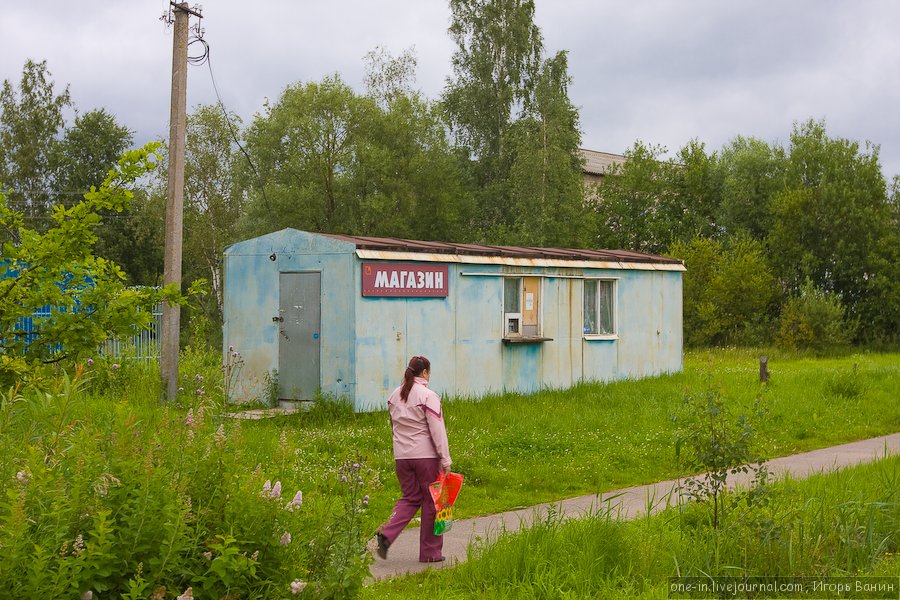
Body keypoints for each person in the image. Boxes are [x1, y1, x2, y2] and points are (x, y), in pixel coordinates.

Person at [375, 355, 452, 563]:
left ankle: (386, 534)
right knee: (432, 502)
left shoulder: (393, 396)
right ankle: (430, 553)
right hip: (425, 457)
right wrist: (445, 459)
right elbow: (437, 430)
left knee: (410, 498)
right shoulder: (428, 396)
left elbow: (394, 427)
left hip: (402, 457)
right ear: (425, 373)